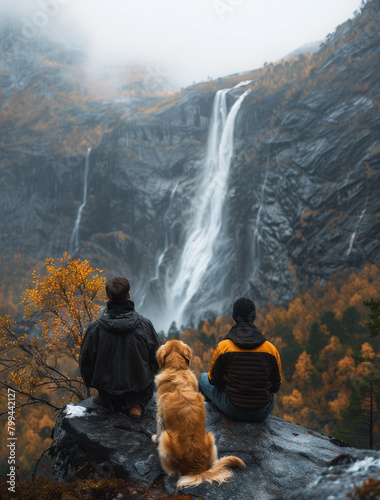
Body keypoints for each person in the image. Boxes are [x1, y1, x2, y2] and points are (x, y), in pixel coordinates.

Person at [79, 277, 160, 418]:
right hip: (139, 391)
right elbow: (158, 359)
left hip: (107, 393)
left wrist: (94, 384)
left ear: (108, 297)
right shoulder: (145, 325)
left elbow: (85, 363)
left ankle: (107, 402)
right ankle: (136, 405)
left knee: (107, 394)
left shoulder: (95, 329)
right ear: (128, 296)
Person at [198, 297, 282, 422]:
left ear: (234, 317)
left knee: (202, 378)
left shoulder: (224, 347)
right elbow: (275, 387)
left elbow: (213, 381)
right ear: (254, 317)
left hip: (233, 409)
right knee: (271, 395)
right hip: (261, 412)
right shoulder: (271, 349)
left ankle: (208, 414)